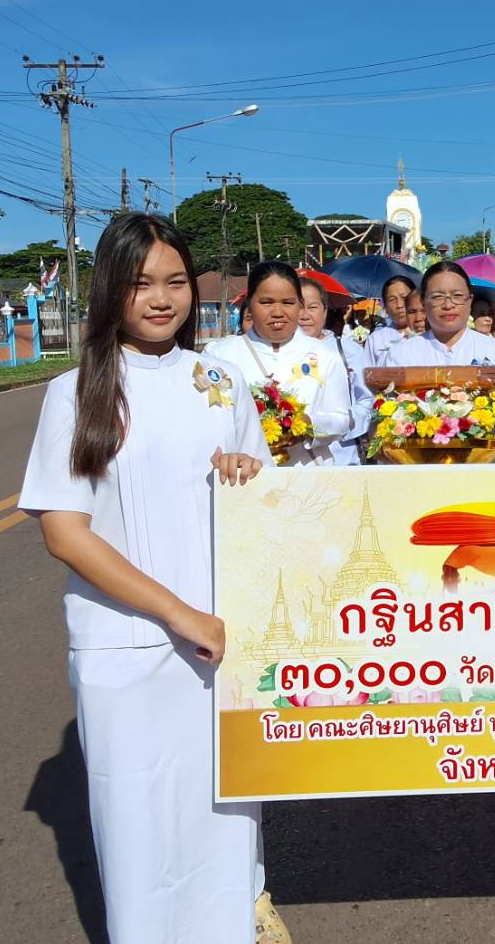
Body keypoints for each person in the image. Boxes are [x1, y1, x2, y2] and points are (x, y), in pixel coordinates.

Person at [17, 213, 290, 944]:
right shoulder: (74, 393)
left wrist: (247, 473)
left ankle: (236, 928)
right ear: (111, 289)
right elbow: (64, 533)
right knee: (136, 823)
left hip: (219, 641)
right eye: (141, 284)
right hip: (127, 645)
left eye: (175, 282)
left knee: (225, 814)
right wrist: (177, 614)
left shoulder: (220, 380)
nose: (161, 299)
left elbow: (263, 499)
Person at [204, 261, 351, 464]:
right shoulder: (219, 355)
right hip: (244, 476)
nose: (278, 312)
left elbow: (343, 419)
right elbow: (206, 420)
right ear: (249, 303)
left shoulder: (324, 355)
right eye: (266, 302)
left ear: (300, 304)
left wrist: (308, 425)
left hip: (310, 476)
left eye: (288, 302)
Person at [381, 260, 495, 413]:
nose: (448, 305)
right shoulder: (400, 355)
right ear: (424, 302)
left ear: (469, 301)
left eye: (457, 295)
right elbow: (386, 412)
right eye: (437, 297)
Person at [298, 276, 371, 466]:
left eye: (312, 307)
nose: (304, 315)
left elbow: (366, 398)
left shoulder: (347, 349)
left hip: (342, 453)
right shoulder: (282, 352)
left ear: (325, 310)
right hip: (298, 455)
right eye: (298, 307)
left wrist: (342, 426)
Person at [364, 275, 415, 365]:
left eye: (404, 297)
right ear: (386, 307)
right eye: (392, 300)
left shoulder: (429, 335)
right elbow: (367, 374)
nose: (399, 305)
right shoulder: (376, 339)